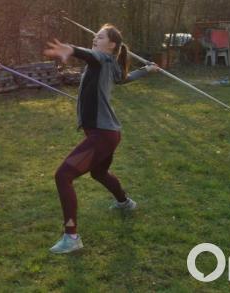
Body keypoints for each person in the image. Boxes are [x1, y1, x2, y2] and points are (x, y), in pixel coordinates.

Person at [42, 24, 159, 253]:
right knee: (99, 173)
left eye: (100, 36)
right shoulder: (110, 64)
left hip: (102, 134)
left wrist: (72, 49)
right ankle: (125, 203)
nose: (95, 38)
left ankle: (72, 237)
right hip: (107, 133)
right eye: (95, 35)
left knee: (63, 175)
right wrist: (147, 70)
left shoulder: (102, 59)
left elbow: (91, 55)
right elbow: (123, 79)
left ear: (111, 45)